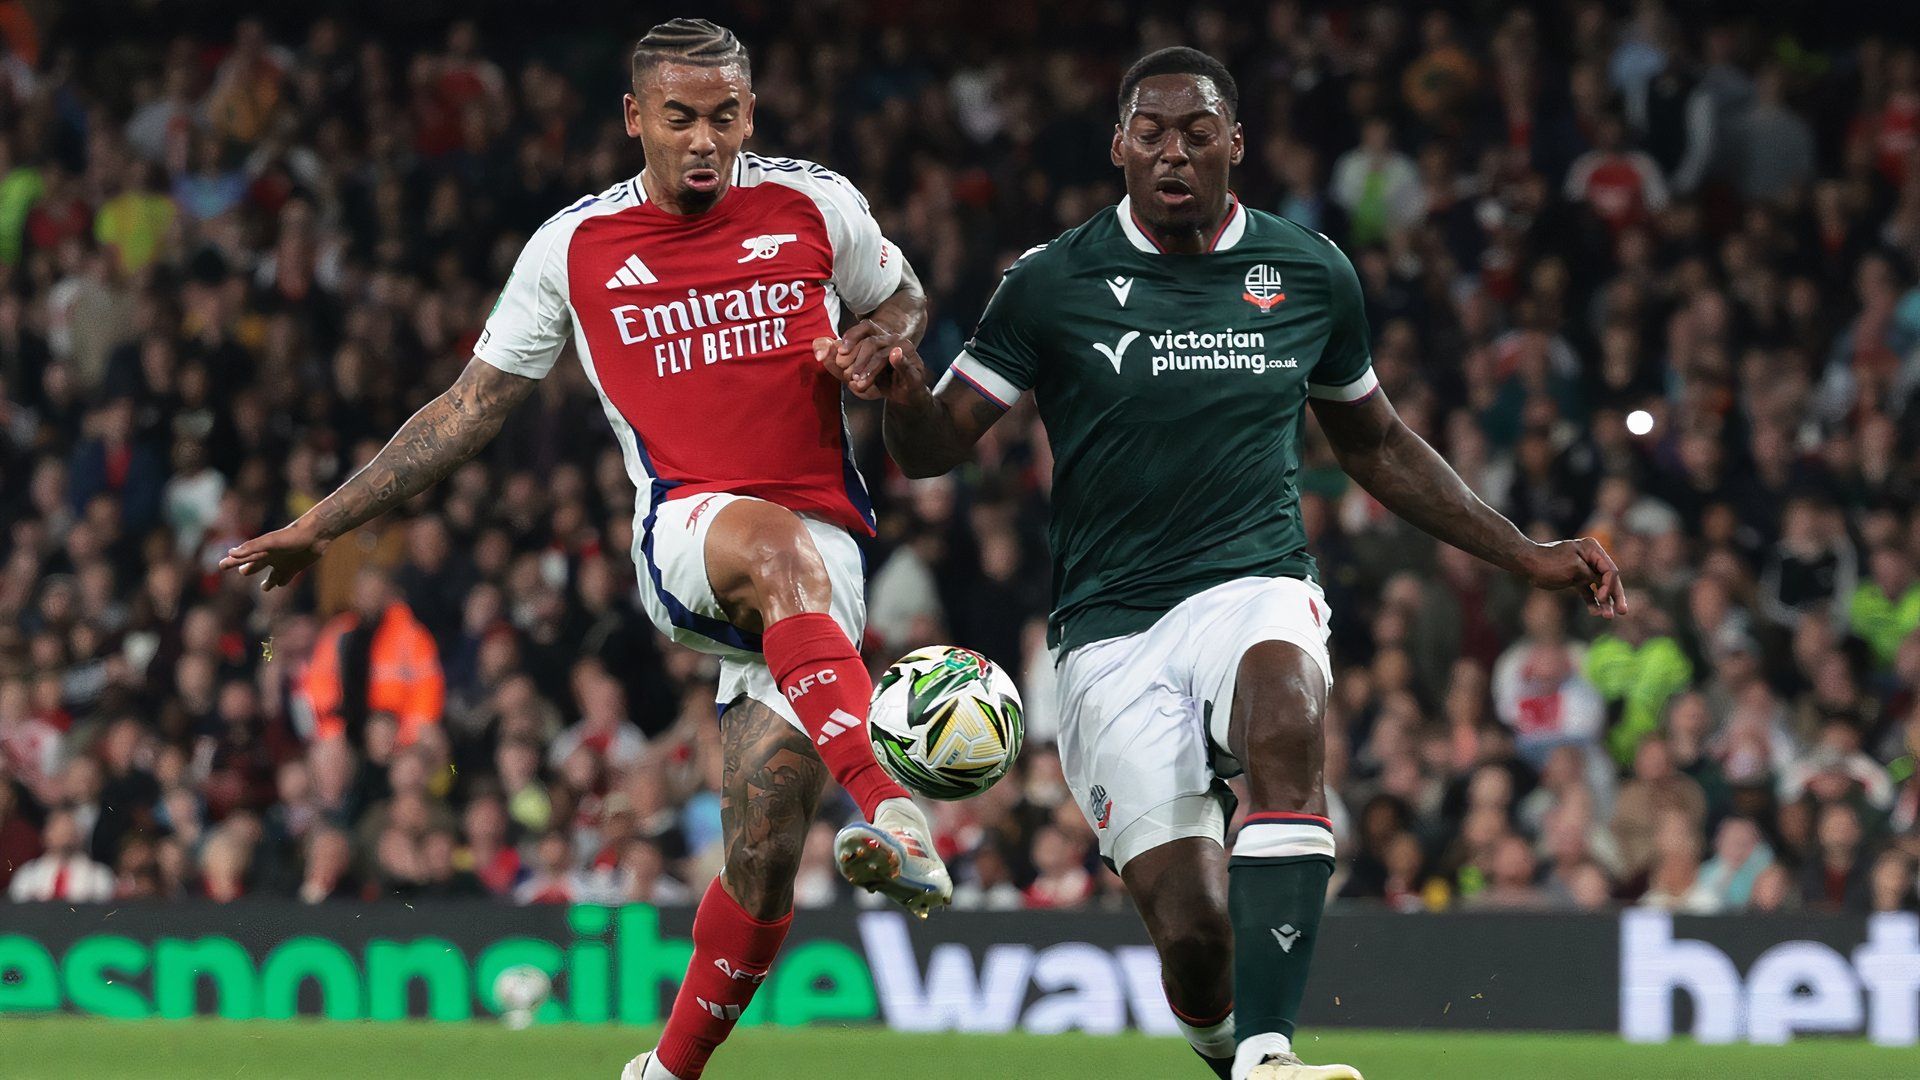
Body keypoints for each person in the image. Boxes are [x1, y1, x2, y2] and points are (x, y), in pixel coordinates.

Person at [824, 47, 1626, 1080]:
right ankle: (1231, 1047)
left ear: (1234, 145)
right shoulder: (1050, 283)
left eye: (1197, 133)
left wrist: (1526, 553)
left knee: (1286, 706)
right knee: (1197, 942)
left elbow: (1375, 442)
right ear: (1117, 146)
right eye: (1150, 134)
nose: (1173, 153)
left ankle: (1270, 1052)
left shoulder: (1308, 273)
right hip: (1106, 634)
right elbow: (932, 452)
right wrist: (898, 388)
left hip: (1253, 584)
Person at [216, 20, 950, 1080]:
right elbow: (467, 410)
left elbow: (904, 296)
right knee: (776, 551)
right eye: (681, 117)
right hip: (691, 531)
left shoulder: (815, 202)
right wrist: (321, 523)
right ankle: (892, 803)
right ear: (634, 117)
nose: (705, 140)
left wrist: (888, 342)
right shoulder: (573, 246)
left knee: (762, 859)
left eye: (726, 117)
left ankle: (663, 1070)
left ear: (752, 111)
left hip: (821, 563)